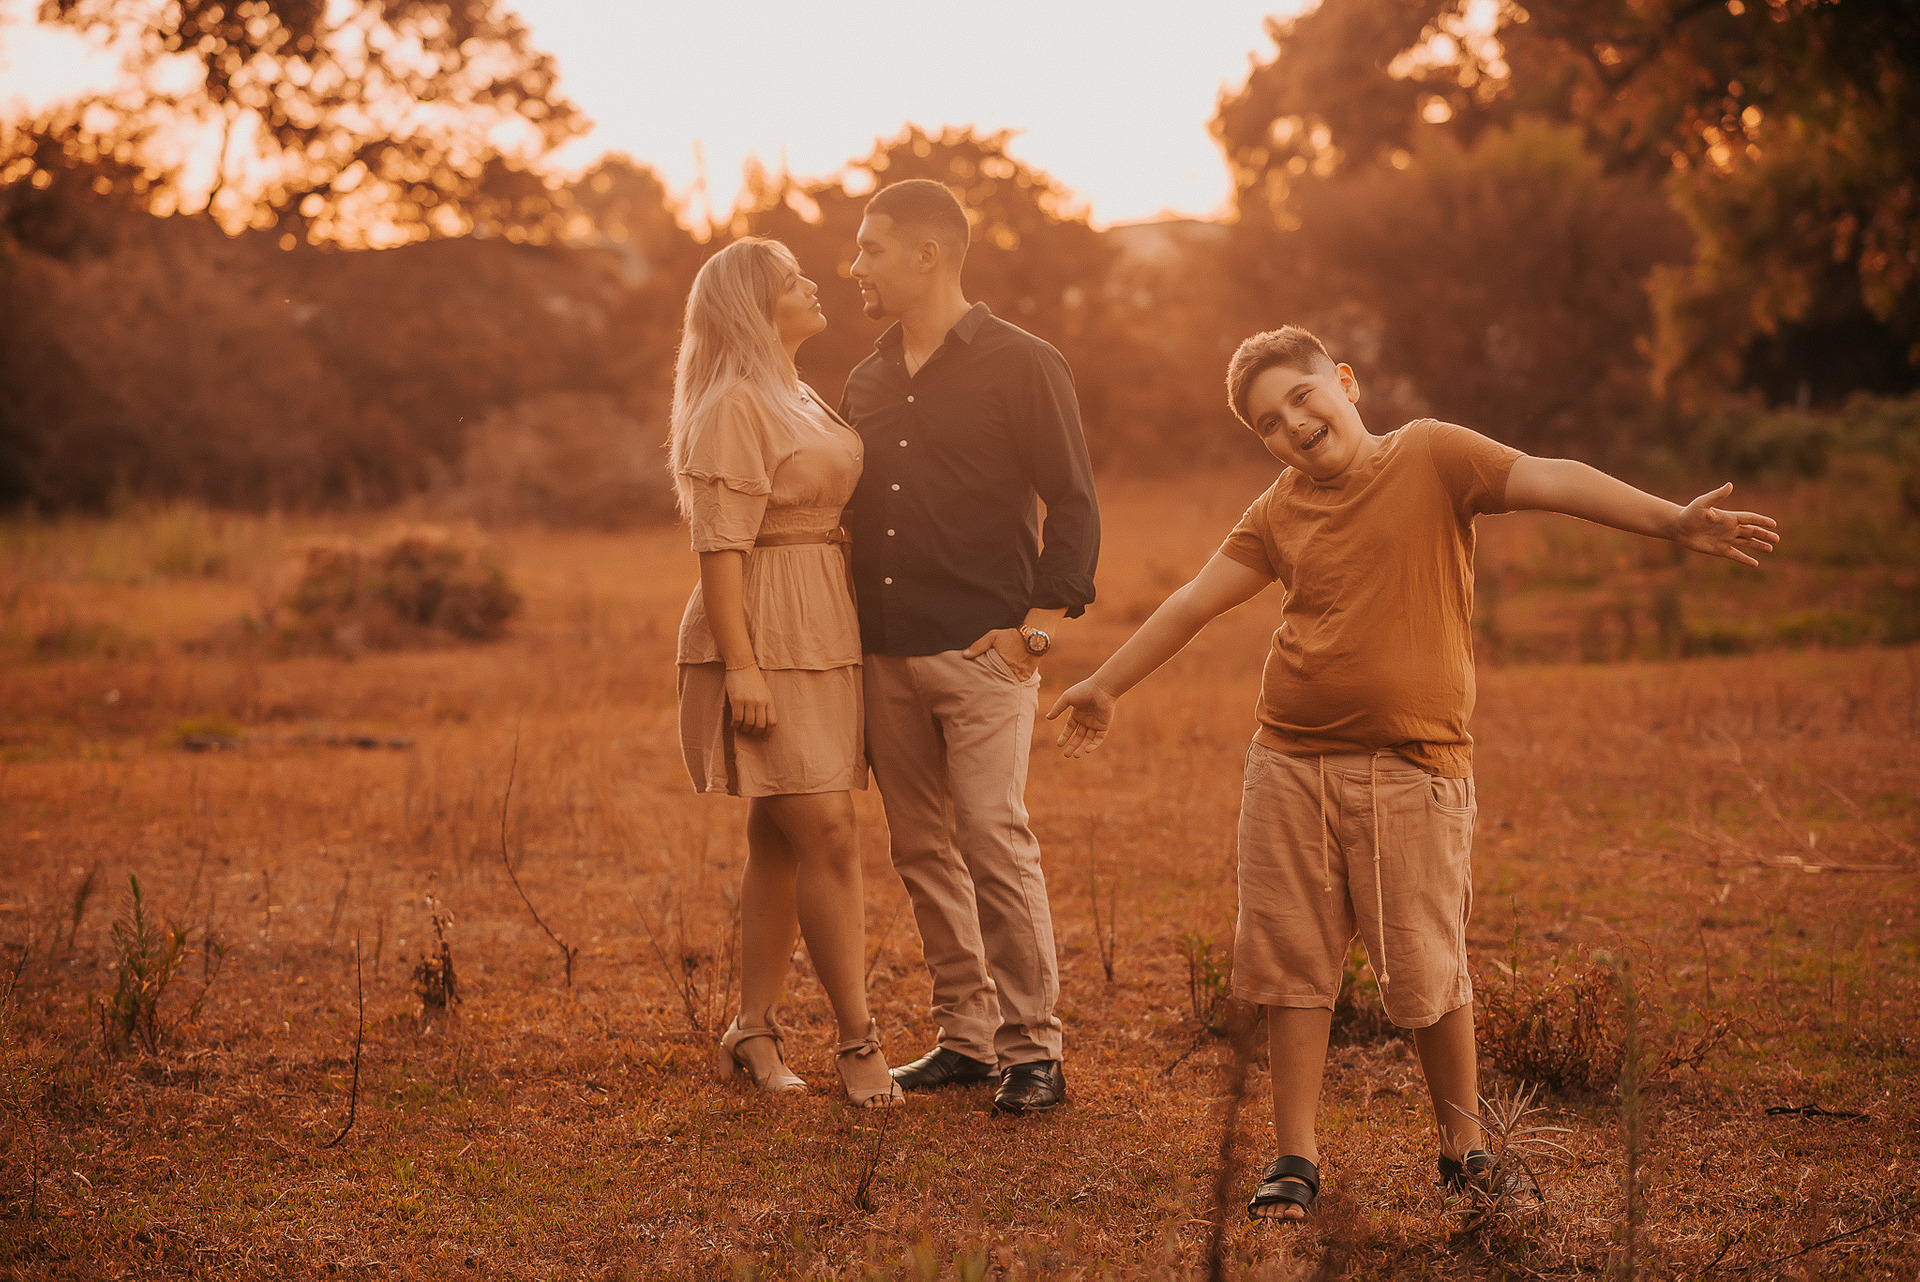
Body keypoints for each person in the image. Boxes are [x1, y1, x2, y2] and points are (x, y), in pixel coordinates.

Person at [1048, 326, 1779, 1214]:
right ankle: (1294, 1158)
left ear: (1345, 382)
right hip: (1288, 766)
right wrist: (1105, 684)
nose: (1293, 425)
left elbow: (1553, 477)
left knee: (1430, 970)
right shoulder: (1276, 511)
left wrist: (1670, 519)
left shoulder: (1432, 456)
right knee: (1293, 968)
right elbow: (1194, 601)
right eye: (1269, 423)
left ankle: (1464, 1149)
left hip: (1413, 768)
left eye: (1302, 397)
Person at [838, 179, 1100, 1115]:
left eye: (870, 249)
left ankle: (1035, 1051)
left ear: (928, 255)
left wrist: (1035, 633)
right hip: (884, 653)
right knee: (920, 850)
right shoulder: (864, 380)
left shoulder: (1024, 363)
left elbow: (1072, 501)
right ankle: (967, 1038)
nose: (854, 267)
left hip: (987, 655)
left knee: (992, 836)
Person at [670, 237, 902, 1109]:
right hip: (765, 629)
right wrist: (744, 668)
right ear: (753, 305)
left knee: (779, 835)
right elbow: (719, 548)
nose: (815, 284)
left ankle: (753, 1029)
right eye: (794, 279)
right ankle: (858, 1040)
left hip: (823, 620)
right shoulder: (733, 404)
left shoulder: (795, 391)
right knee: (830, 831)